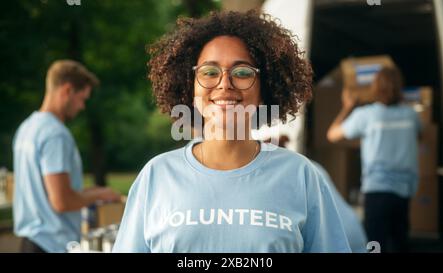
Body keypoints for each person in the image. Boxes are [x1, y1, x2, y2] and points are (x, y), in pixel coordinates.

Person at [113, 10, 350, 253]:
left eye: (243, 73)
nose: (225, 83)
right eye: (209, 72)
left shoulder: (300, 175)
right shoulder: (157, 176)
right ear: (189, 86)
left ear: (264, 89)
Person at [13, 60, 121, 253]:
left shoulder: (26, 128)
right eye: (82, 99)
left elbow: (47, 192)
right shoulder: (55, 134)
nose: (82, 107)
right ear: (67, 90)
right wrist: (99, 195)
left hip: (29, 240)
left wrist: (92, 191)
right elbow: (61, 201)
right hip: (51, 244)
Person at [327, 67, 422, 252]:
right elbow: (420, 136)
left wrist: (347, 107)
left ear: (375, 87)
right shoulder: (411, 115)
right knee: (400, 243)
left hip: (377, 190)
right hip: (404, 191)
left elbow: (332, 135)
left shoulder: (366, 115)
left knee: (374, 246)